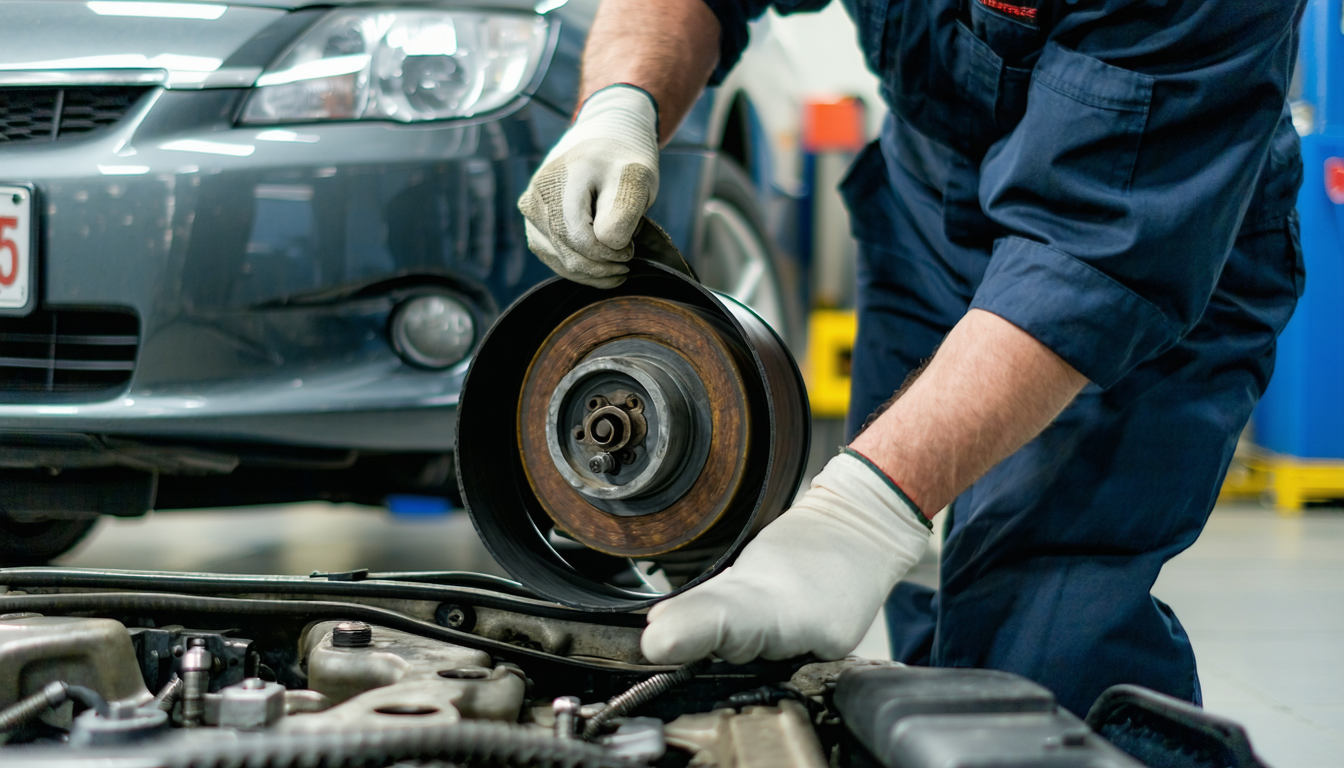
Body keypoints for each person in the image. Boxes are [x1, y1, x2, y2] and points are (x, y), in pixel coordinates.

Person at [517, 0, 1306, 716]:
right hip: (927, 206)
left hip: (1151, 220)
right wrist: (620, 104)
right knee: (922, 636)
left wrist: (855, 518)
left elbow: (1087, 255)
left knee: (1037, 648)